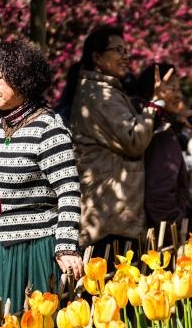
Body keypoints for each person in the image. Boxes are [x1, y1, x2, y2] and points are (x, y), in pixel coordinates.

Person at [0, 39, 83, 312]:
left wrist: (66, 246)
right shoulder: (0, 128)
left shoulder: (48, 128)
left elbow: (69, 192)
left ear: (23, 77)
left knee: (34, 327)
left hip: (33, 249)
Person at [60, 26, 165, 258]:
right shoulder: (100, 96)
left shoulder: (105, 91)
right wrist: (154, 105)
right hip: (108, 221)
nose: (125, 56)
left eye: (126, 50)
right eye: (118, 50)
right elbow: (134, 140)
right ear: (97, 57)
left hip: (113, 217)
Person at [135, 63, 190, 234]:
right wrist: (175, 226)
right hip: (160, 234)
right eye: (172, 89)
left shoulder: (161, 128)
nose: (179, 95)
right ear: (155, 91)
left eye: (179, 89)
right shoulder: (160, 133)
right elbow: (159, 193)